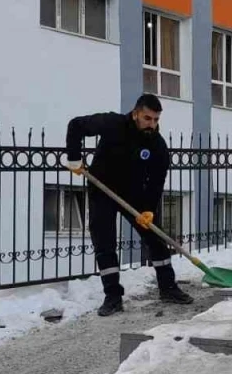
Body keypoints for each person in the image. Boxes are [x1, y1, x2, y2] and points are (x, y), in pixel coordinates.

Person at [64, 94, 194, 317]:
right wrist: (74, 158)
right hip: (102, 190)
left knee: (155, 237)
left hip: (133, 196)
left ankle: (168, 287)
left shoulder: (157, 146)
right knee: (104, 243)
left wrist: (149, 209)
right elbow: (76, 125)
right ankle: (112, 297)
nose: (152, 124)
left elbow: (156, 182)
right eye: (147, 118)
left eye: (155, 119)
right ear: (135, 114)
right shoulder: (112, 123)